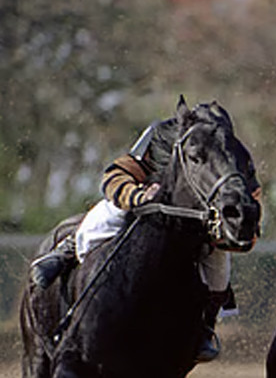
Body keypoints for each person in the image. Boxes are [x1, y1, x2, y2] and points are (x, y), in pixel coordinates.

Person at [29, 118, 257, 362]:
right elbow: (114, 176)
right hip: (140, 211)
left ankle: (204, 329)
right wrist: (137, 196)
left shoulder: (227, 154)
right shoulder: (161, 134)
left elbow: (248, 198)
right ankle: (70, 250)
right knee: (102, 218)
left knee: (219, 268)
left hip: (192, 224)